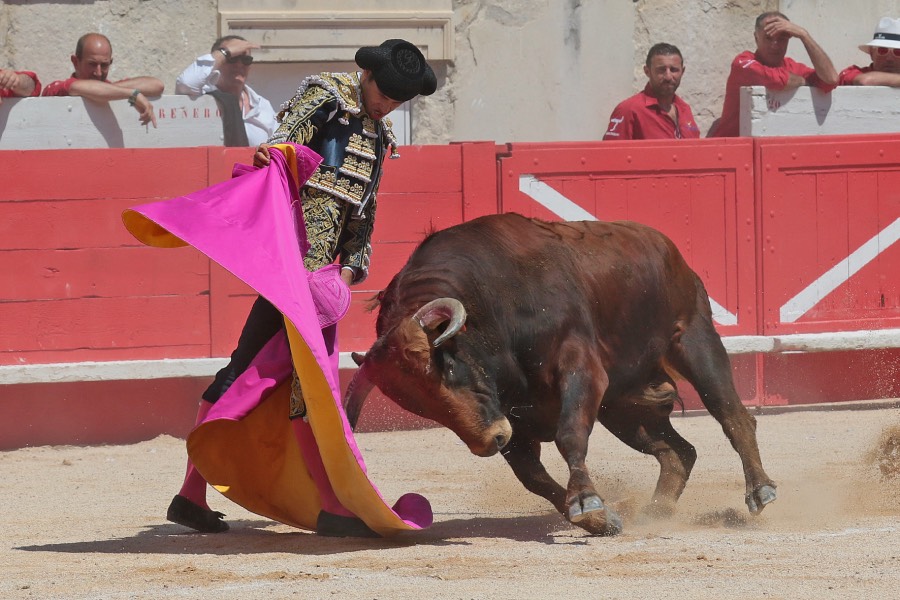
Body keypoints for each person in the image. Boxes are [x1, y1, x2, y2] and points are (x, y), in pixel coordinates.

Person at [166, 38, 438, 534]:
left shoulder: (379, 137)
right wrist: (294, 261)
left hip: (316, 286)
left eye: (399, 101)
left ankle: (193, 494)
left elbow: (363, 218)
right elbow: (273, 155)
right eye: (385, 95)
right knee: (284, 378)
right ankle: (328, 505)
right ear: (368, 77)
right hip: (287, 270)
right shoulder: (327, 97)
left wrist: (348, 273)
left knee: (261, 371)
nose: (387, 105)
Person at [710, 11, 838, 137]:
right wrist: (802, 81)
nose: (774, 45)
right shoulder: (743, 62)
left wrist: (804, 35)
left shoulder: (792, 66)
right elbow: (775, 80)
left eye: (781, 39)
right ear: (756, 38)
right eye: (768, 38)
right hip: (730, 150)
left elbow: (831, 79)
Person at [41, 33, 164, 127]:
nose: (98, 73)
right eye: (92, 64)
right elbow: (75, 87)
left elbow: (157, 86)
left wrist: (116, 91)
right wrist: (132, 94)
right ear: (75, 62)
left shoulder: (114, 89)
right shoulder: (58, 88)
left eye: (104, 65)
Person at [175, 35, 277, 146]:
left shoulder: (262, 106)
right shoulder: (201, 96)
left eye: (246, 60)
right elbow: (185, 83)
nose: (239, 64)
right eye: (232, 58)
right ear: (217, 63)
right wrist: (224, 52)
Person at [602, 43, 699, 140]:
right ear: (647, 71)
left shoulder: (685, 109)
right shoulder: (628, 110)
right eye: (661, 70)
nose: (668, 76)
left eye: (674, 70)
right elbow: (612, 154)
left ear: (682, 71)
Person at [839, 17, 900, 86]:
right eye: (882, 50)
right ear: (871, 53)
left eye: (897, 52)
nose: (889, 59)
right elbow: (865, 80)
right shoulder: (853, 73)